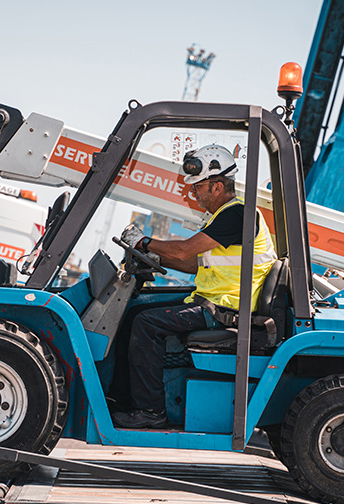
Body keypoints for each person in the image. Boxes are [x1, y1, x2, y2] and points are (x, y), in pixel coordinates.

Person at [111, 144, 277, 429]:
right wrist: (153, 257)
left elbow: (185, 250)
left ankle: (150, 411)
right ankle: (120, 401)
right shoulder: (225, 217)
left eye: (198, 186)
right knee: (134, 313)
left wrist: (144, 242)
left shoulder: (237, 215)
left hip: (225, 309)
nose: (193, 192)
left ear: (216, 186)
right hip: (212, 303)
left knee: (146, 324)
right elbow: (194, 263)